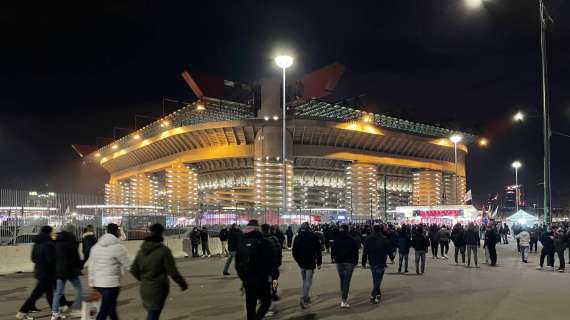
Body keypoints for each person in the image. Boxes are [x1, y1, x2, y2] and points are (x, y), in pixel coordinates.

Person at [131, 224, 187, 320]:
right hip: (158, 288)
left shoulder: (141, 251)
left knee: (152, 312)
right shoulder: (163, 251)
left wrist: (144, 279)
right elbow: (172, 271)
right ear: (161, 233)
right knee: (154, 313)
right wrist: (182, 284)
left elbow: (133, 269)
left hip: (145, 288)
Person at [235, 220, 277, 320]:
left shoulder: (242, 243)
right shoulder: (264, 242)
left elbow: (237, 264)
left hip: (248, 280)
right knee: (266, 302)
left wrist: (243, 278)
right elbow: (271, 261)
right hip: (262, 279)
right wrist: (274, 276)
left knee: (250, 306)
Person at [88, 223, 130, 320]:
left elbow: (91, 266)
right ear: (116, 232)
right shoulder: (119, 247)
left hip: (99, 284)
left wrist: (92, 283)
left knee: (111, 307)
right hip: (112, 285)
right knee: (104, 310)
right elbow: (128, 265)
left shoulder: (95, 247)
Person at [16, 226, 56, 320]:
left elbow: (33, 259)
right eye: (51, 232)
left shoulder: (36, 244)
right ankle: (22, 312)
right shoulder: (48, 243)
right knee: (36, 295)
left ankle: (55, 313)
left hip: (39, 271)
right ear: (48, 232)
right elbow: (50, 259)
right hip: (47, 273)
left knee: (49, 294)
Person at [51, 224, 83, 320]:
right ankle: (76, 309)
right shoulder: (73, 240)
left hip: (60, 270)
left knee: (58, 292)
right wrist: (79, 267)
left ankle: (55, 314)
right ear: (72, 231)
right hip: (71, 270)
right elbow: (76, 257)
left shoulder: (56, 240)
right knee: (79, 289)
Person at [292, 223, 322, 309]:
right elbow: (318, 250)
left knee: (304, 280)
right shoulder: (314, 237)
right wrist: (319, 262)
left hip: (301, 263)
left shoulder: (298, 237)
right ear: (309, 228)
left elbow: (294, 251)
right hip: (310, 262)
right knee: (308, 281)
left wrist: (298, 260)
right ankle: (304, 298)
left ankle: (307, 296)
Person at [331, 224, 359, 308]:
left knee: (342, 280)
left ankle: (343, 296)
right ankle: (344, 300)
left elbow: (333, 250)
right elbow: (355, 252)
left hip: (339, 262)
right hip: (349, 262)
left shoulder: (337, 239)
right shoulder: (351, 240)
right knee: (346, 281)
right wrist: (355, 262)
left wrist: (333, 258)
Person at [362, 224, 391, 304]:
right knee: (378, 279)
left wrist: (363, 262)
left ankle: (378, 294)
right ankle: (373, 294)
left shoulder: (368, 239)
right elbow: (389, 249)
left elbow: (365, 251)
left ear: (373, 230)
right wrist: (391, 258)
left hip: (372, 261)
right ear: (380, 230)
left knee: (375, 278)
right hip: (381, 261)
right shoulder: (384, 239)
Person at [261, 224, 282, 306]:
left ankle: (266, 295)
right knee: (275, 279)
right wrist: (279, 262)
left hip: (264, 265)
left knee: (264, 281)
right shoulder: (274, 238)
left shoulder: (260, 239)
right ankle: (274, 293)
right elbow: (279, 251)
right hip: (274, 264)